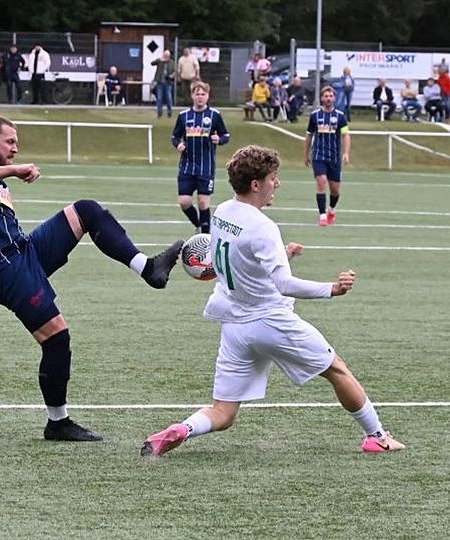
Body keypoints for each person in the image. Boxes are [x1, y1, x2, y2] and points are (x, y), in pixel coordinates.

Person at [140, 144, 405, 458]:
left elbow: (238, 259)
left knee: (223, 412)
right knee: (337, 370)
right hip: (270, 321)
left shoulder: (222, 212)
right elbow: (284, 284)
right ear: (256, 184)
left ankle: (184, 429)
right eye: (272, 178)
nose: (277, 183)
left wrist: (282, 255)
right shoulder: (264, 227)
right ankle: (377, 437)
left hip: (234, 326)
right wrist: (331, 289)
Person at [0, 114, 185, 442]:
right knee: (57, 338)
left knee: (85, 210)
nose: (15, 149)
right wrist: (14, 170)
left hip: (24, 252)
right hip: (5, 269)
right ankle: (57, 422)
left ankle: (148, 268)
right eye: (10, 142)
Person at [170, 81, 231, 234]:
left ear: (208, 96)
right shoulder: (184, 116)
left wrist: (219, 139)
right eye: (197, 94)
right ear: (192, 96)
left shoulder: (214, 115)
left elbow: (225, 135)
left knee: (203, 202)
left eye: (203, 94)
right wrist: (178, 144)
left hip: (206, 166)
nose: (200, 97)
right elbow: (175, 136)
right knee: (184, 202)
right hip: (187, 165)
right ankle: (199, 225)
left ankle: (205, 236)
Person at [304, 85, 350, 227]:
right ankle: (322, 215)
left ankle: (331, 210)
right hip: (319, 155)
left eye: (330, 96)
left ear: (334, 98)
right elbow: (309, 135)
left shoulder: (340, 116)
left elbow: (345, 135)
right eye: (326, 96)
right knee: (321, 182)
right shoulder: (315, 116)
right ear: (322, 98)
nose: (328, 98)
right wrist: (306, 154)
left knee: (335, 190)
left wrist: (346, 153)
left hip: (334, 157)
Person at [151, 49, 176, 118]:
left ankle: (169, 112)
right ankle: (159, 113)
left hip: (168, 83)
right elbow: (152, 63)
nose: (166, 56)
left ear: (169, 56)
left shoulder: (172, 62)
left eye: (167, 55)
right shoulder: (160, 61)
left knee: (169, 98)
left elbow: (174, 72)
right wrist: (159, 60)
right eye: (165, 55)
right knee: (159, 98)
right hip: (160, 82)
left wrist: (171, 76)